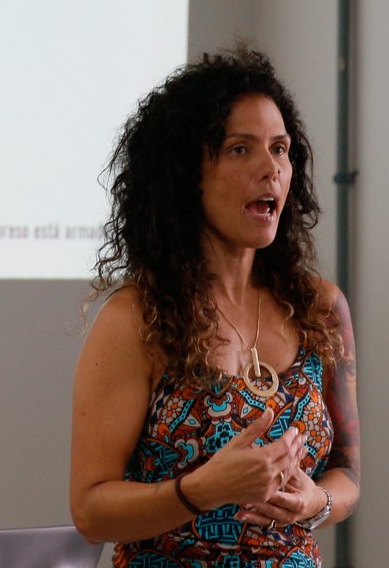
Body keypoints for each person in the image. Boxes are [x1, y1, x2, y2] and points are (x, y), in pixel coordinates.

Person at [69, 47, 360, 567]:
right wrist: (201, 490)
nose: (270, 168)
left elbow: (346, 474)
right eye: (240, 150)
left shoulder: (320, 306)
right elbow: (92, 512)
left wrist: (315, 502)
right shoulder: (137, 317)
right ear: (187, 174)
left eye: (280, 148)